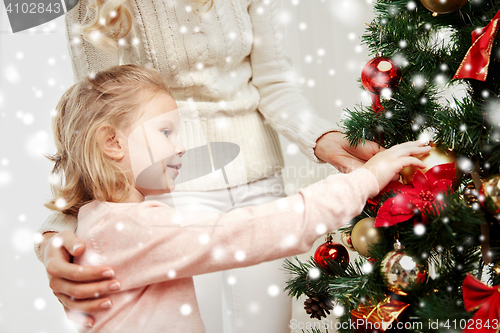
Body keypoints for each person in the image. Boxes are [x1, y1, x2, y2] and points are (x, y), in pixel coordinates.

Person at [35, 0, 387, 331]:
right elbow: (94, 125)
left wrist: (319, 136)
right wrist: (57, 232)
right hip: (169, 191)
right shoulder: (95, 7)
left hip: (260, 178)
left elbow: (275, 82)